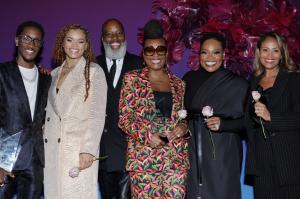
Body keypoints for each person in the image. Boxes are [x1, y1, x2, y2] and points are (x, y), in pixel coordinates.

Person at [118, 20, 190, 199]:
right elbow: (125, 118)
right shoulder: (132, 79)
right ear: (143, 54)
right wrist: (148, 136)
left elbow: (182, 117)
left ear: (167, 53)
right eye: (149, 50)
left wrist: (183, 127)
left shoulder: (179, 84)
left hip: (175, 161)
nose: (155, 54)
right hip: (144, 161)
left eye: (161, 49)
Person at [43, 24, 107, 199]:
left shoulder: (94, 72)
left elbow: (97, 114)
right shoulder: (53, 74)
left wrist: (88, 149)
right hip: (52, 151)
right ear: (62, 43)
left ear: (86, 46)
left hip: (77, 151)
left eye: (80, 41)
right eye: (70, 40)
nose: (74, 46)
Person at [183, 32, 249, 199]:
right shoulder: (188, 79)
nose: (209, 57)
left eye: (216, 52)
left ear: (224, 55)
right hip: (192, 152)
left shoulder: (238, 84)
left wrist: (224, 124)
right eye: (205, 52)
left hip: (223, 154)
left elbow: (250, 122)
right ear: (199, 55)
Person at [245, 32, 300, 199]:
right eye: (265, 50)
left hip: (288, 161)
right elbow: (247, 120)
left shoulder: (294, 79)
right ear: (258, 52)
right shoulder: (253, 81)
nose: (270, 56)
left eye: (275, 50)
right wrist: (221, 124)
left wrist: (271, 117)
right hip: (260, 162)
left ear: (282, 53)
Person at [0, 21, 51, 199]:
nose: (31, 44)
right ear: (16, 41)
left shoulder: (47, 79)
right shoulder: (2, 73)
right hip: (4, 161)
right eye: (26, 38)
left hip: (35, 160)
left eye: (37, 40)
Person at [96, 18, 143, 199]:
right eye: (109, 34)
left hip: (130, 152)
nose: (114, 38)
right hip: (102, 153)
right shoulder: (92, 65)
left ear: (124, 36)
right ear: (102, 39)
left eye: (118, 33)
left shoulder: (139, 65)